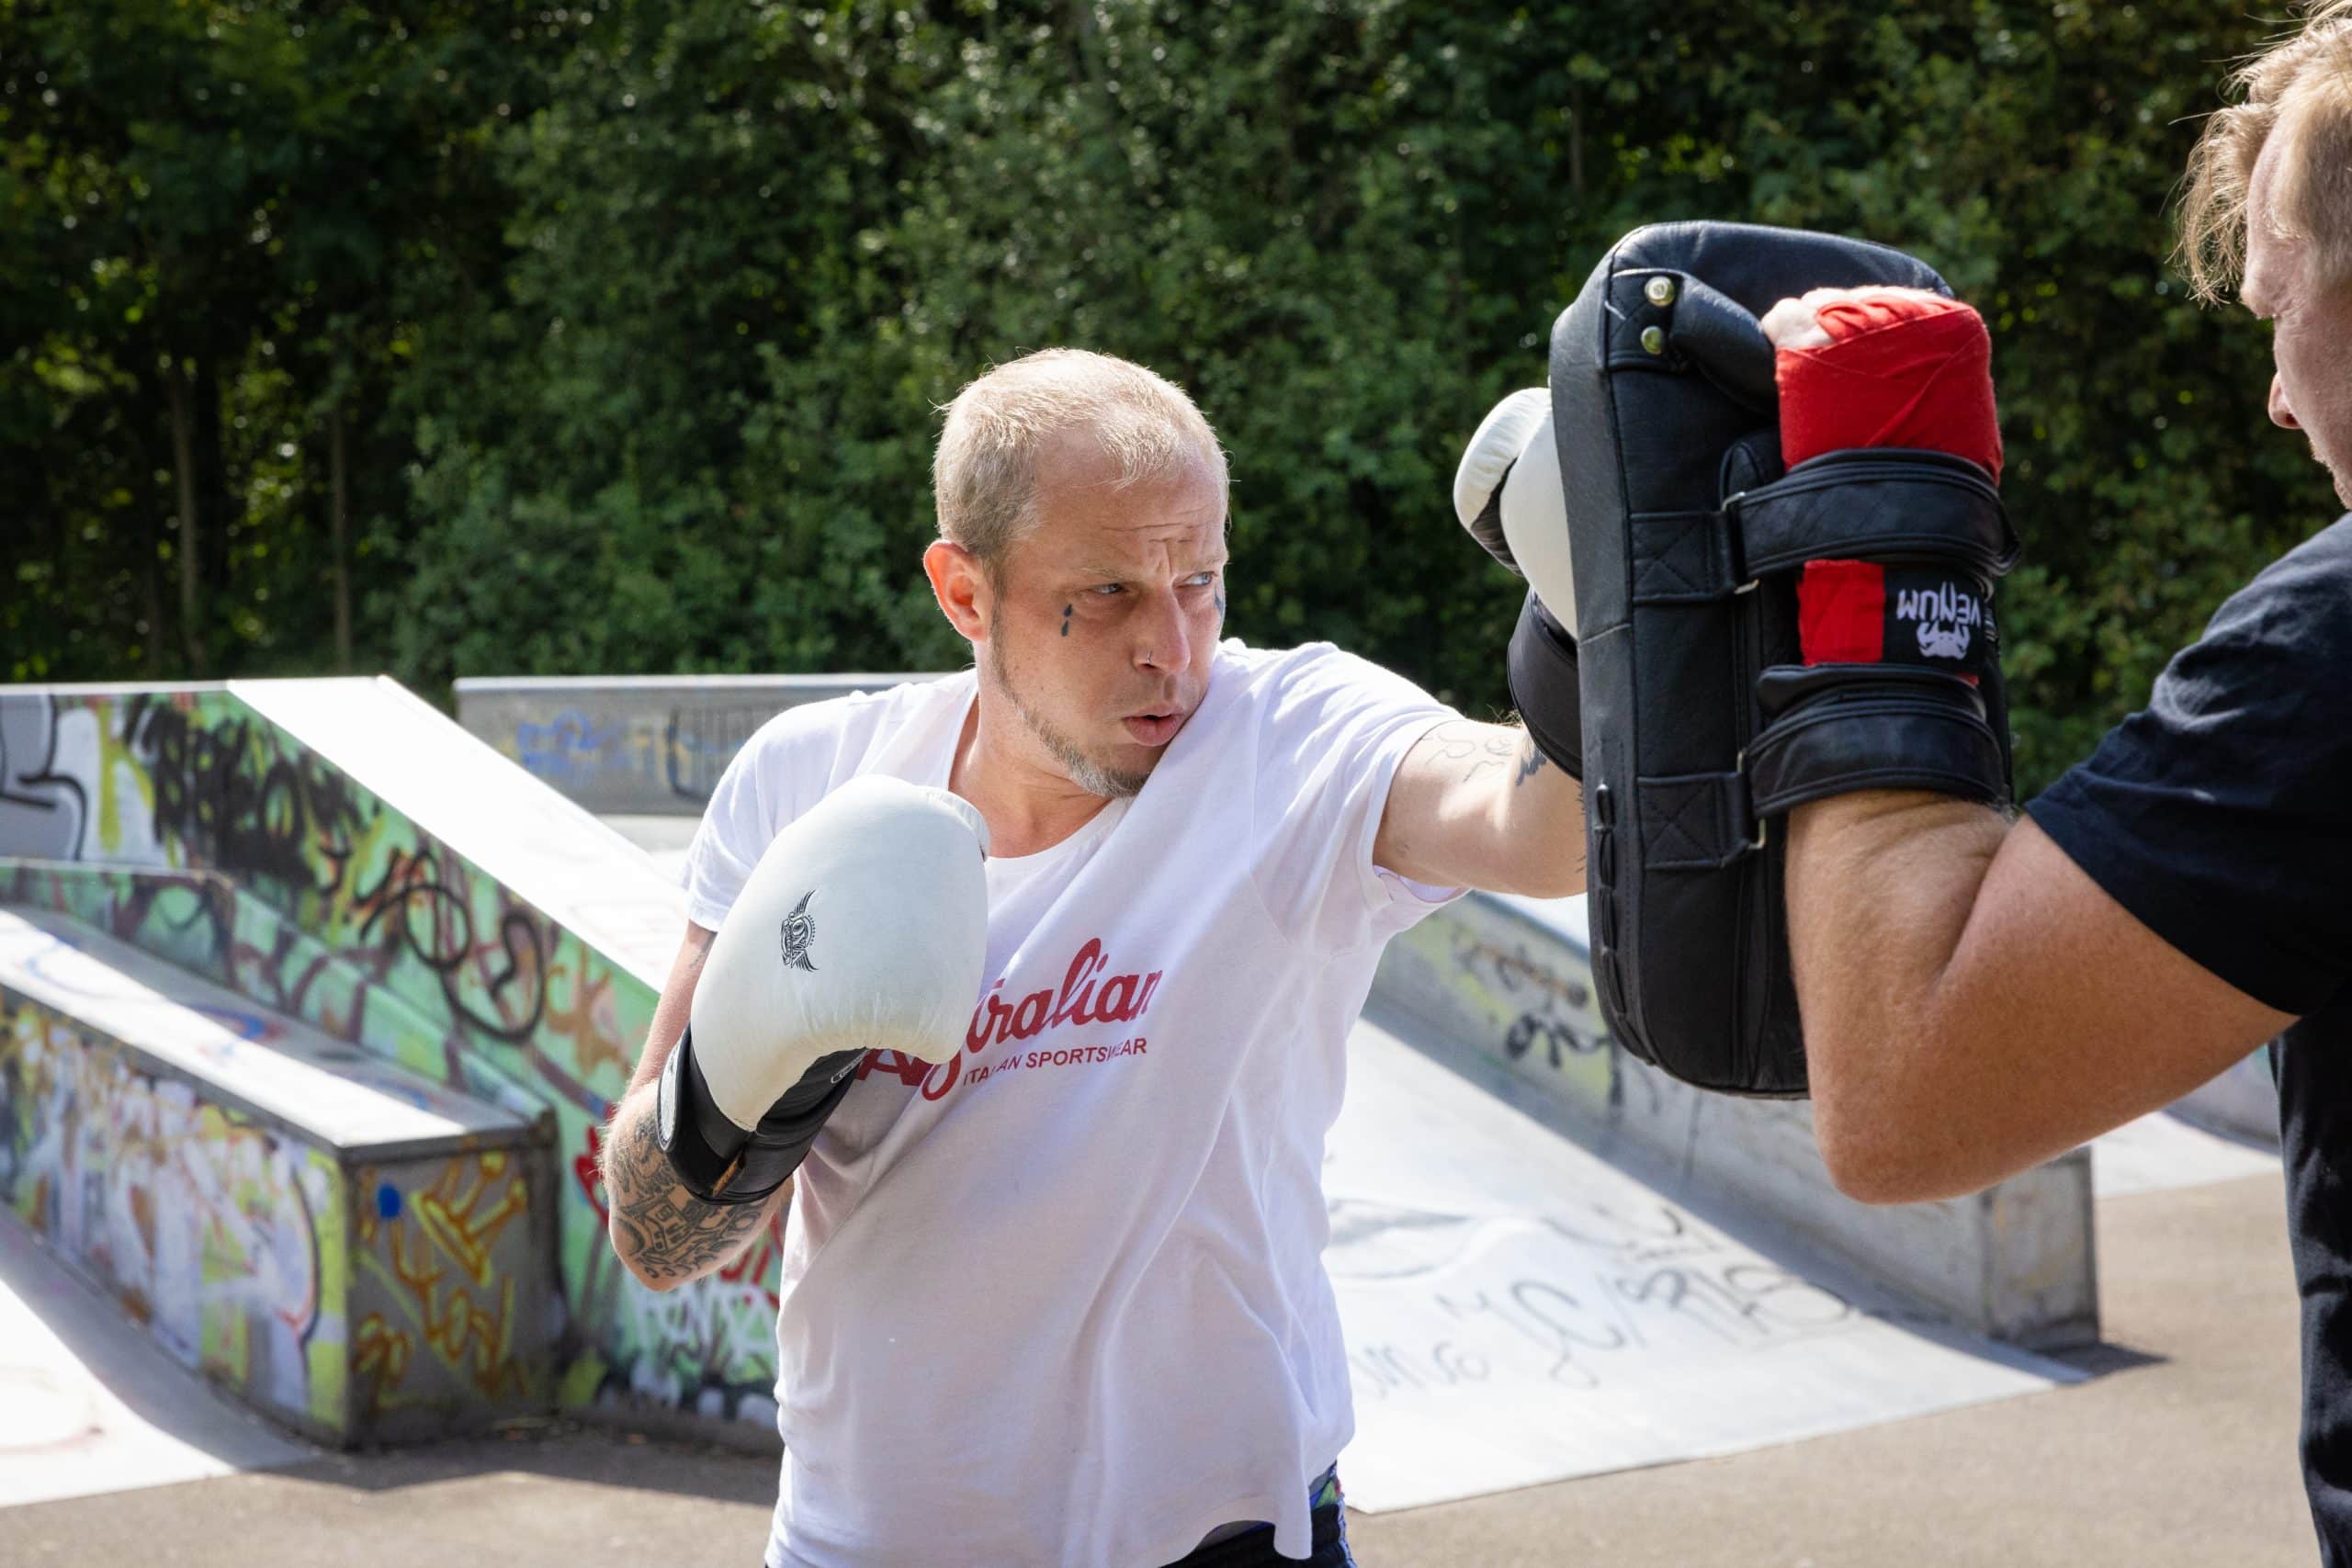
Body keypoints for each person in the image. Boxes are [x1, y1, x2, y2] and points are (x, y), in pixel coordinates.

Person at [594, 347, 1589, 1567]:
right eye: (1108, 593)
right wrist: (750, 1080)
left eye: (1203, 581)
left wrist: (1592, 629)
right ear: (965, 593)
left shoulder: (1291, 741)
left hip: (1224, 1540)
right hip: (870, 1545)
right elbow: (658, 1241)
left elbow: (1543, 832)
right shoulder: (807, 788)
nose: (1173, 647)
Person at [1748, 3, 2352, 1556]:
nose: (2278, 399)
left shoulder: (2338, 651)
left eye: (2283, 310)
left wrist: (1869, 545)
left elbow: (1909, 1099)